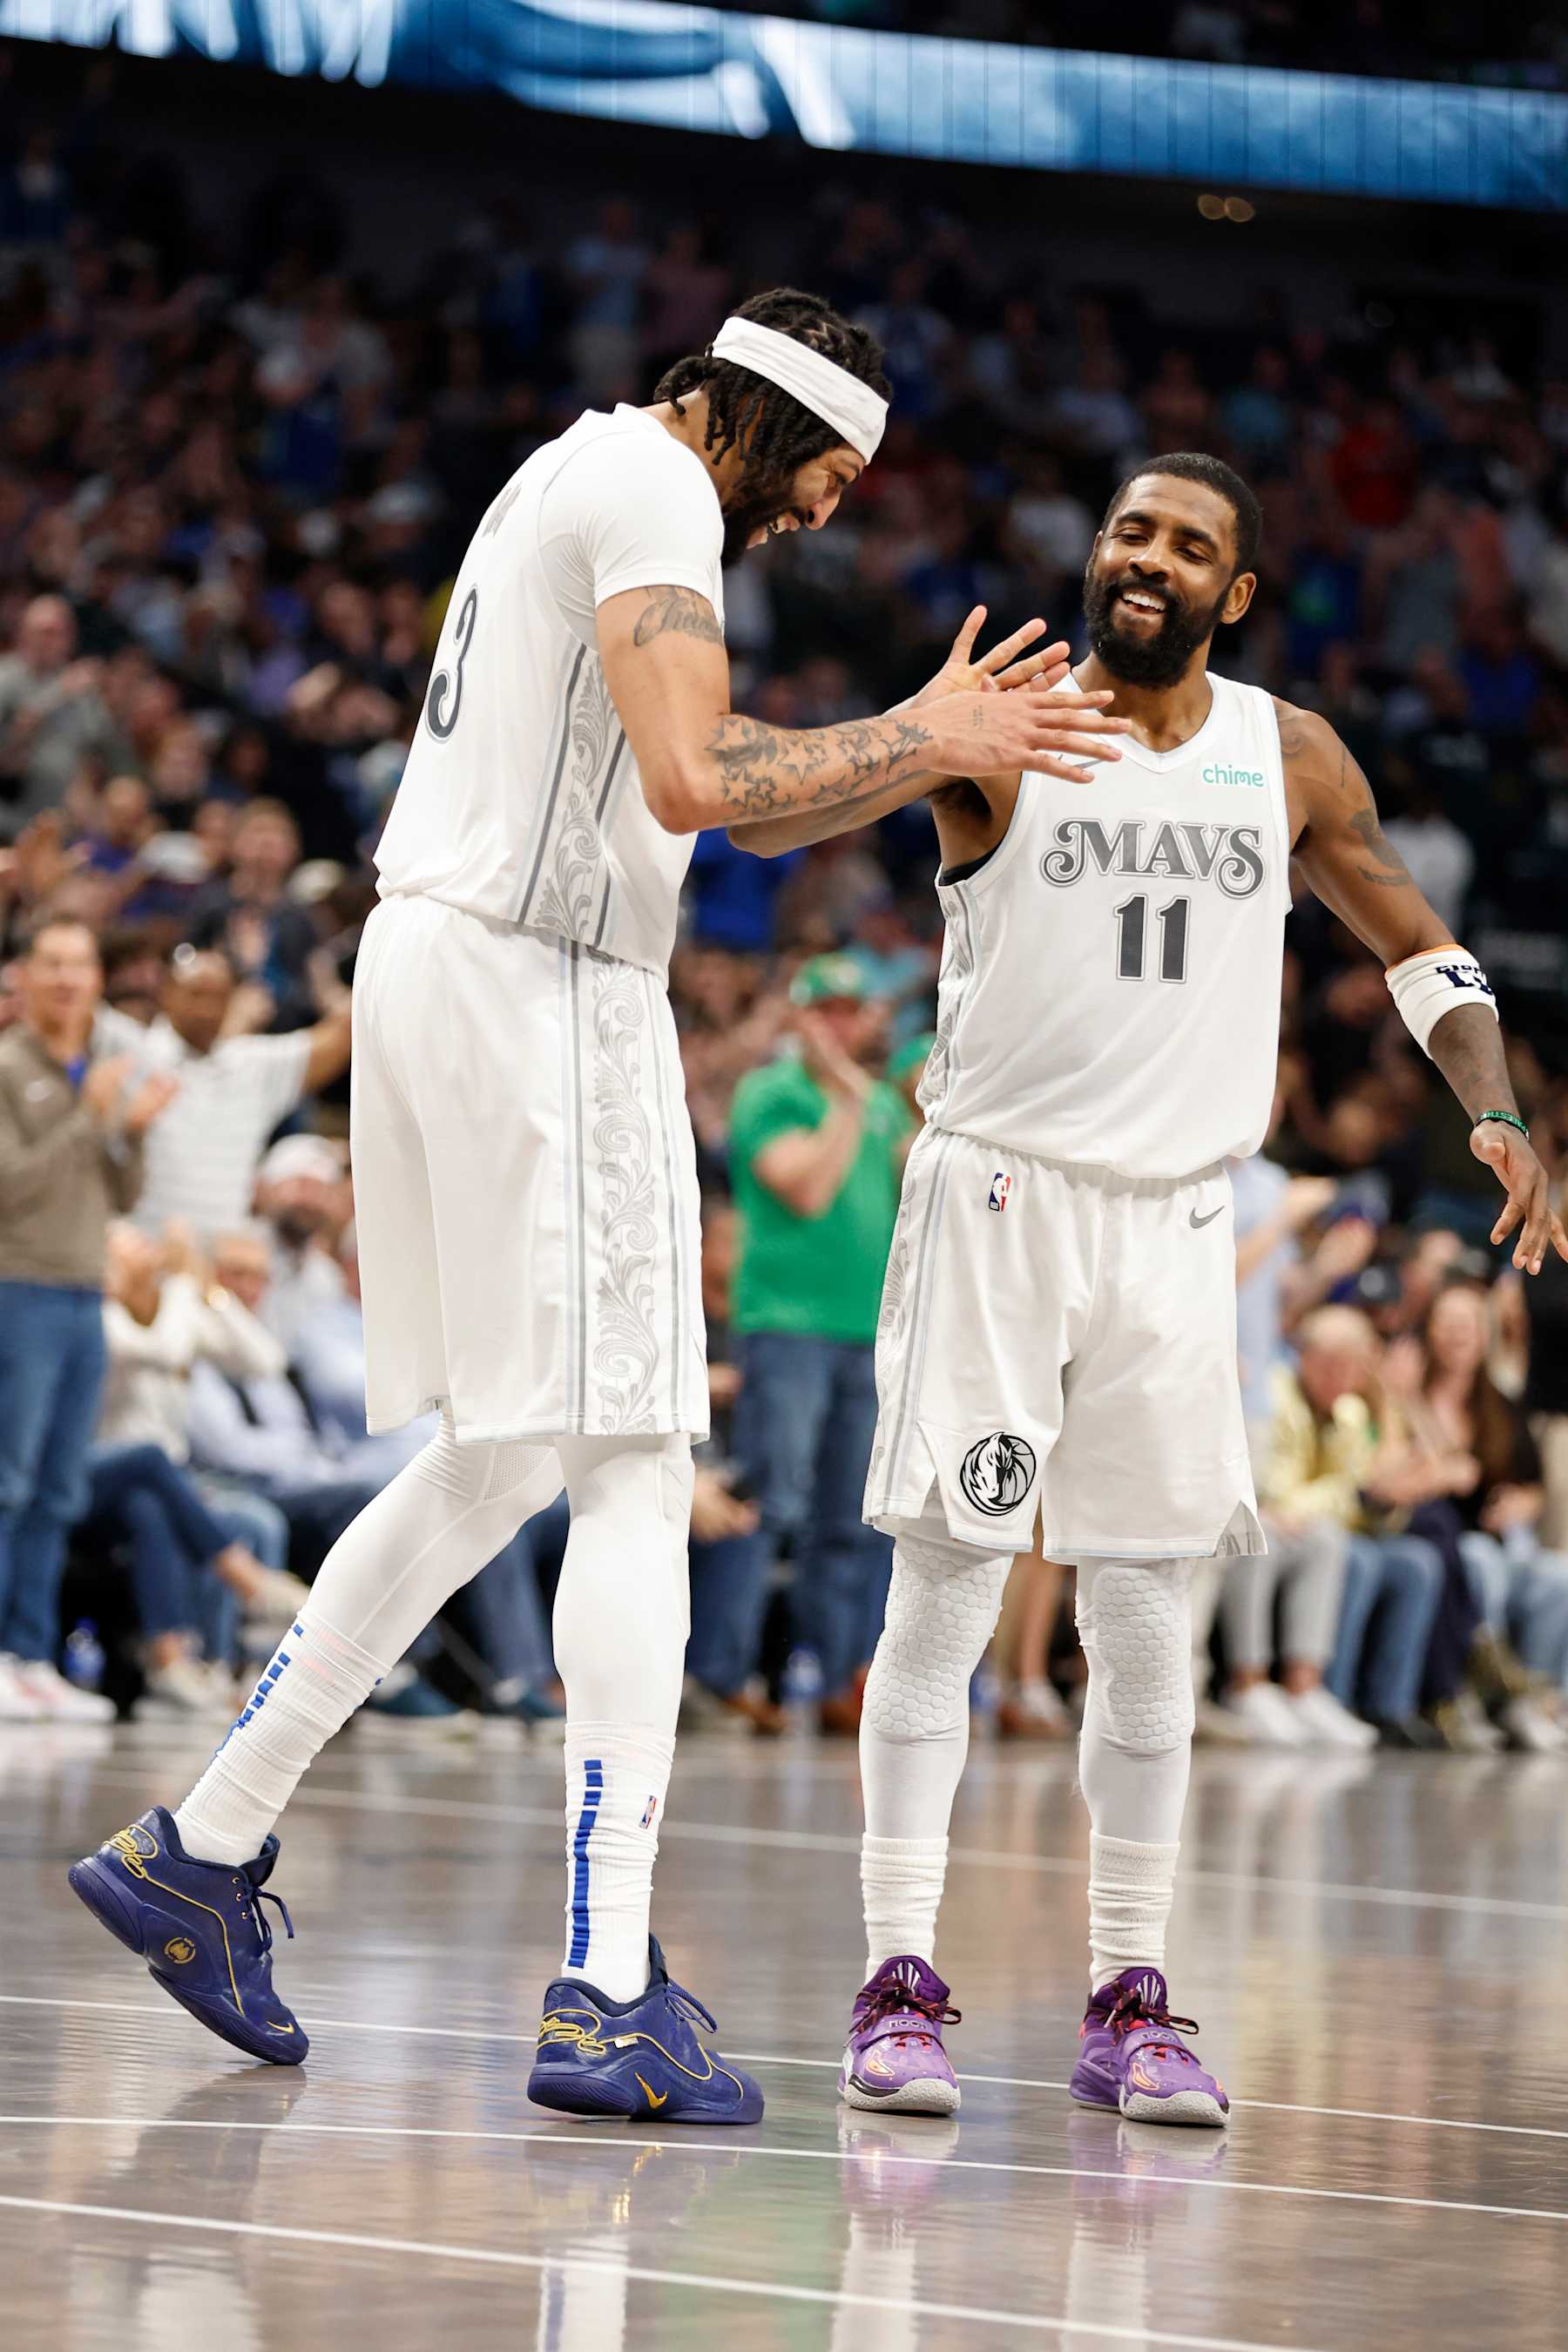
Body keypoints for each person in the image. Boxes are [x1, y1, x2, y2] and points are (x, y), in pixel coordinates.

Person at [70, 287, 1118, 2109]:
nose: (827, 513)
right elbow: (704, 775)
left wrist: (922, 745)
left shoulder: (577, 475)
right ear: (764, 418)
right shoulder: (658, 488)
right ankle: (605, 1983)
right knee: (636, 1456)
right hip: (540, 978)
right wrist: (922, 731)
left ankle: (203, 1849)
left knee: (500, 1458)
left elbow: (735, 807)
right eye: (829, 473)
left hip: (444, 959)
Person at [729, 449, 1567, 2126]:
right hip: (1002, 1199)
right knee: (949, 1592)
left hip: (1178, 1222)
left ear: (1233, 592)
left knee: (1141, 1616)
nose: (1147, 558)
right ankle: (896, 1983)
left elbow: (1421, 946)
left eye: (1187, 545)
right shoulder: (1010, 722)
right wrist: (916, 729)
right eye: (1128, 530)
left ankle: (1132, 1996)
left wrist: (1492, 1106)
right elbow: (766, 807)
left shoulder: (1289, 754)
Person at [726, 952, 911, 1734]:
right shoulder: (771, 1092)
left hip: (866, 1330)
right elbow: (805, 1187)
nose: (838, 1025)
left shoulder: (883, 1102)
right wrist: (844, 1099)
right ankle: (728, 1675)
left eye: (850, 1010)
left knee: (849, 1515)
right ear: (799, 1019)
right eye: (824, 1010)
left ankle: (839, 1680)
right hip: (787, 1325)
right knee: (768, 1502)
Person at [0, 919, 178, 1721]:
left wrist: (130, 1133)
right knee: (8, 1481)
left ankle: (32, 1655)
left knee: (58, 1489)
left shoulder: (92, 1068)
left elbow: (123, 1195)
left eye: (80, 964)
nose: (67, 979)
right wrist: (88, 1115)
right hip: (20, 1288)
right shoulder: (10, 1066)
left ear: (99, 980)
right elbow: (11, 1185)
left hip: (82, 1292)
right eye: (52, 963)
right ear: (25, 977)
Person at [98, 942, 352, 1239]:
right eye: (196, 994)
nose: (206, 1009)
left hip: (223, 1259)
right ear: (166, 994)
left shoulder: (254, 1066)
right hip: (140, 1247)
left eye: (218, 997)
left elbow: (340, 1036)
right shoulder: (133, 1052)